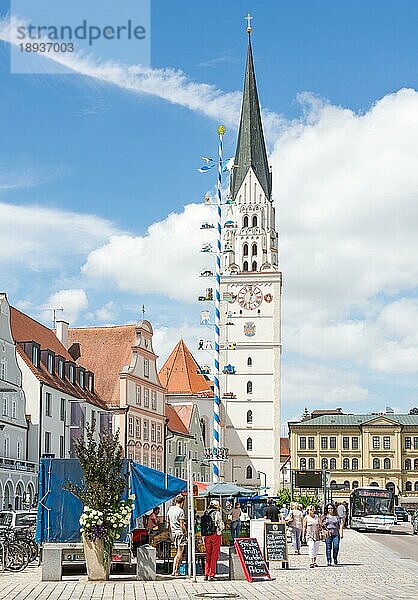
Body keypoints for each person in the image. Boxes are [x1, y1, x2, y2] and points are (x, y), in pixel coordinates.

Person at [202, 500, 224, 581]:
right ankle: (211, 574)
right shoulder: (217, 513)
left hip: (206, 535)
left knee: (208, 554)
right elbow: (220, 524)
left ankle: (206, 573)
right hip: (215, 535)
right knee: (214, 555)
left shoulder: (205, 512)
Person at [167, 494, 187, 576]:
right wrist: (185, 532)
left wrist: (169, 530)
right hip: (179, 533)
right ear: (182, 502)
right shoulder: (180, 511)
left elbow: (168, 520)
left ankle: (175, 570)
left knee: (176, 552)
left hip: (173, 532)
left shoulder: (171, 509)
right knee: (179, 553)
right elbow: (182, 524)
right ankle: (175, 571)